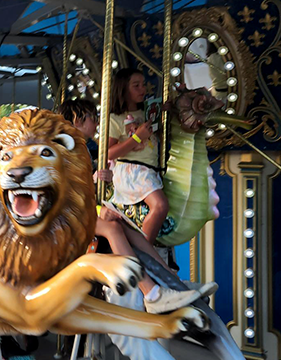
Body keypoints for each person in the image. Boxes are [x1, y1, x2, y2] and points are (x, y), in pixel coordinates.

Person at [58, 99, 217, 313]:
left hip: (85, 209)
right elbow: (67, 190)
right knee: (114, 227)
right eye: (92, 118)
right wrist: (98, 209)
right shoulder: (65, 151)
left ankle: (172, 280)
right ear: (77, 120)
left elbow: (82, 184)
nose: (96, 123)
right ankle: (150, 291)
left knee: (132, 229)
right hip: (72, 213)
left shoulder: (82, 149)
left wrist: (95, 178)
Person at [107, 68, 168, 246]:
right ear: (124, 89)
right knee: (160, 206)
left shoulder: (149, 113)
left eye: (143, 85)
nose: (142, 89)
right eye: (136, 86)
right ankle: (145, 253)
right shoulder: (115, 118)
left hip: (150, 170)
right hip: (132, 170)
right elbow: (108, 153)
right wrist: (136, 138)